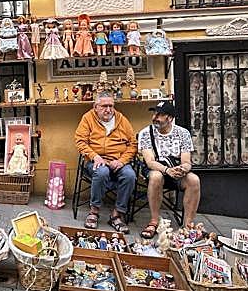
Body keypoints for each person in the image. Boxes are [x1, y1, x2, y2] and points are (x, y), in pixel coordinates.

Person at [74, 92, 137, 233]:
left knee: (130, 175)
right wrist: (94, 156)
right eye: (104, 106)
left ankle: (117, 214)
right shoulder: (88, 118)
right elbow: (80, 141)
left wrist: (121, 161)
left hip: (118, 161)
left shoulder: (122, 120)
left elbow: (133, 144)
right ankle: (94, 212)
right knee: (102, 172)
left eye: (111, 106)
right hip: (96, 160)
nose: (108, 110)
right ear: (95, 107)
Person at [137, 101, 201, 239]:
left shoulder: (183, 133)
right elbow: (150, 162)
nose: (155, 117)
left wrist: (183, 169)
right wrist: (167, 170)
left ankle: (187, 226)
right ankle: (154, 221)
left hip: (176, 171)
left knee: (194, 180)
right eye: (154, 113)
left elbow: (186, 161)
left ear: (170, 118)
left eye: (159, 115)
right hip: (156, 170)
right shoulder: (146, 133)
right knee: (156, 176)